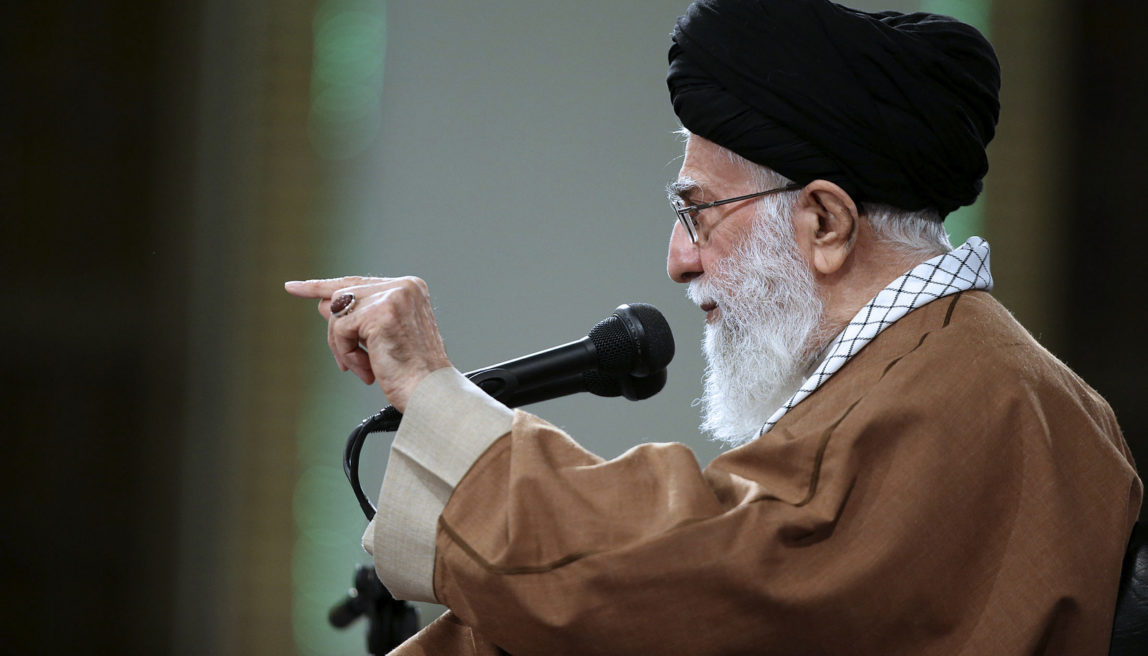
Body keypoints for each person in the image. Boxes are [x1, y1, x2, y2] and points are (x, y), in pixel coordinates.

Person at [285, 1, 1141, 653]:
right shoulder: (941, 369)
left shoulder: (963, 395)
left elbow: (693, 579)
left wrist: (437, 398)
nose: (677, 260)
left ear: (826, 224)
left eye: (698, 212)